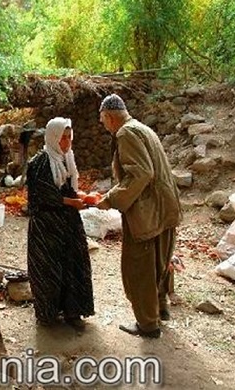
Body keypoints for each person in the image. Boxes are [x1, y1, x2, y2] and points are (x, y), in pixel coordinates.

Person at [96, 94, 182, 339]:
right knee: (160, 260)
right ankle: (160, 310)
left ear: (110, 117)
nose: (104, 127)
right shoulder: (144, 128)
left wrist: (111, 199)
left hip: (147, 212)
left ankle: (147, 324)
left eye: (103, 122)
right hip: (165, 207)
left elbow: (141, 173)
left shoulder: (125, 134)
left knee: (140, 268)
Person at [26, 117, 95, 329]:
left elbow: (68, 187)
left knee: (72, 265)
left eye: (69, 137)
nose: (67, 142)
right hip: (47, 225)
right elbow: (40, 195)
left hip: (68, 222)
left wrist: (82, 197)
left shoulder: (68, 158)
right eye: (62, 138)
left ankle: (73, 312)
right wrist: (70, 202)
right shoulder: (40, 162)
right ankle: (48, 313)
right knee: (48, 268)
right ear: (53, 138)